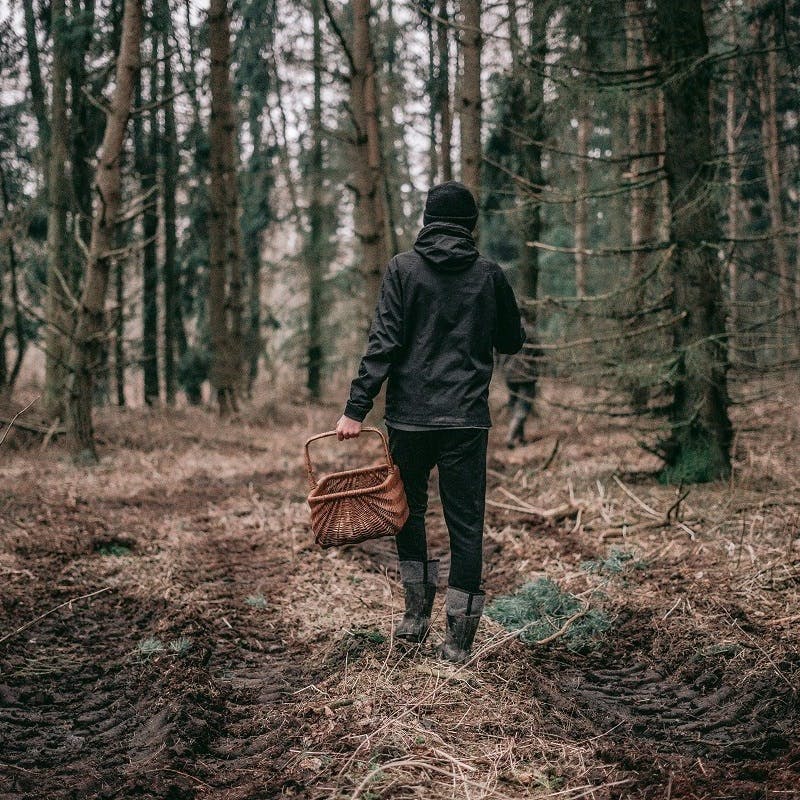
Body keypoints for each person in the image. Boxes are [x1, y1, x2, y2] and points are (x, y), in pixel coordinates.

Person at [336, 181, 525, 663]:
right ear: (470, 225)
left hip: (410, 420)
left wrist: (355, 409)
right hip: (465, 420)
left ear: (427, 219)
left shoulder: (402, 269)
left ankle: (414, 616)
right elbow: (512, 340)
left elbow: (383, 342)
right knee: (466, 524)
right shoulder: (488, 274)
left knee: (408, 513)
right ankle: (459, 642)